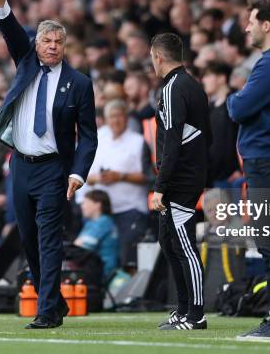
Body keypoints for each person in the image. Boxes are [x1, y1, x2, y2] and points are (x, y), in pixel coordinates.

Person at [0, 0, 97, 329]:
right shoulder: (26, 60)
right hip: (20, 166)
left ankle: (47, 310)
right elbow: (11, 30)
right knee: (28, 239)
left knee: (50, 240)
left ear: (65, 46)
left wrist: (78, 173)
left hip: (53, 170)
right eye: (46, 40)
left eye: (58, 42)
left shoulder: (79, 84)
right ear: (36, 44)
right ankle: (55, 301)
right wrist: (1, 0)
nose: (52, 46)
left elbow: (89, 136)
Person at [227, 0, 270, 339]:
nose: (246, 27)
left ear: (266, 25)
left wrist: (233, 98)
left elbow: (239, 108)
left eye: (251, 21)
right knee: (266, 239)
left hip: (266, 157)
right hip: (265, 156)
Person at [150, 33, 211, 331]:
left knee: (185, 245)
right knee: (168, 241)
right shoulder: (192, 86)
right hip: (185, 174)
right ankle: (184, 308)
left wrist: (161, 185)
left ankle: (196, 314)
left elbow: (172, 141)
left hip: (180, 179)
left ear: (158, 57)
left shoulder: (174, 88)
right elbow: (204, 136)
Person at [84, 99, 151, 268]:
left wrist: (121, 176)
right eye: (111, 117)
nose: (115, 120)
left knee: (128, 261)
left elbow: (149, 177)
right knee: (101, 260)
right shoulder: (98, 138)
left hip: (130, 210)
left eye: (119, 116)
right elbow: (85, 174)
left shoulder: (138, 141)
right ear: (105, 119)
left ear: (126, 118)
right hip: (103, 212)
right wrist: (100, 178)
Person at [201, 61, 241, 187]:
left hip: (234, 177)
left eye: (208, 76)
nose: (204, 80)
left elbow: (241, 137)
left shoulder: (236, 102)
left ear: (222, 78)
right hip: (214, 178)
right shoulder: (210, 108)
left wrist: (241, 170)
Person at [74, 190, 120, 278]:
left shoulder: (104, 222)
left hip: (103, 273)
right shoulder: (91, 223)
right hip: (93, 270)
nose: (82, 207)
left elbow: (80, 247)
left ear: (97, 204)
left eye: (85, 203)